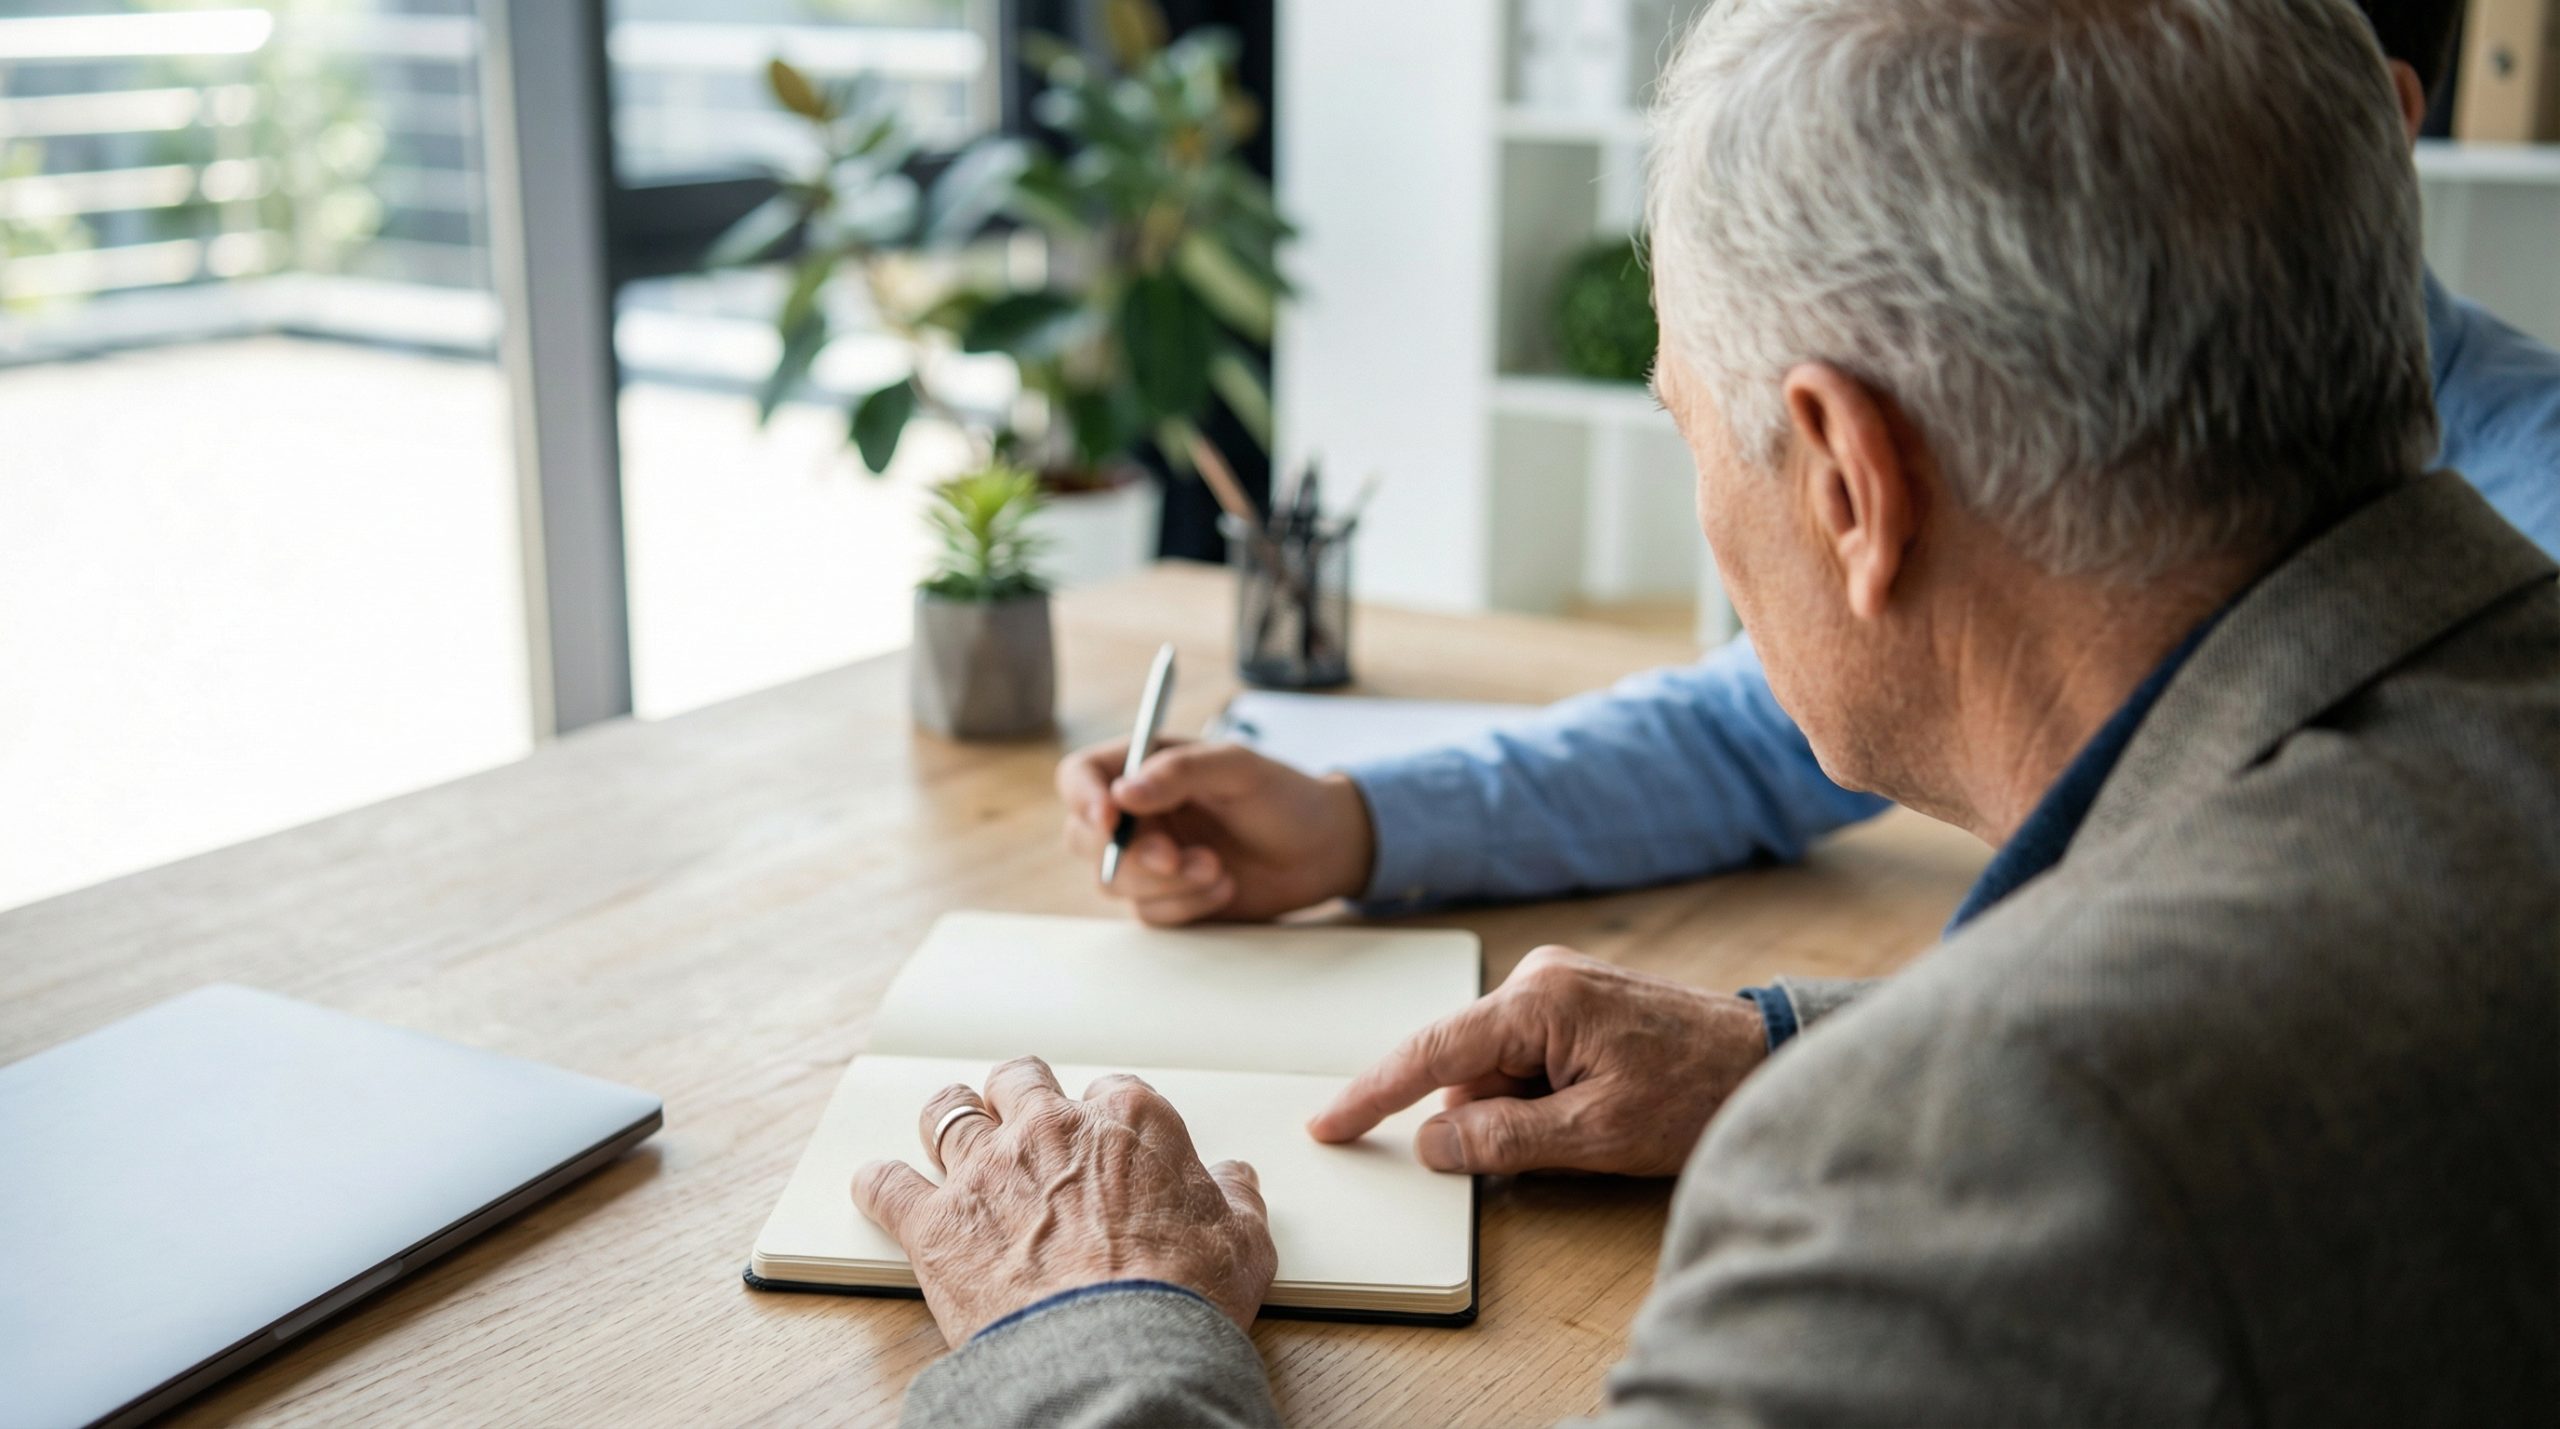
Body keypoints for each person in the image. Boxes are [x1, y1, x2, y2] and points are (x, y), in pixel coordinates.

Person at [850, 0, 2560, 1421]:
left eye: (1685, 415)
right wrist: (1792, 1045)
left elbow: (2091, 1124)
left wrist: (1084, 1339)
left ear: (1845, 479)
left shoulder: (1954, 1172)